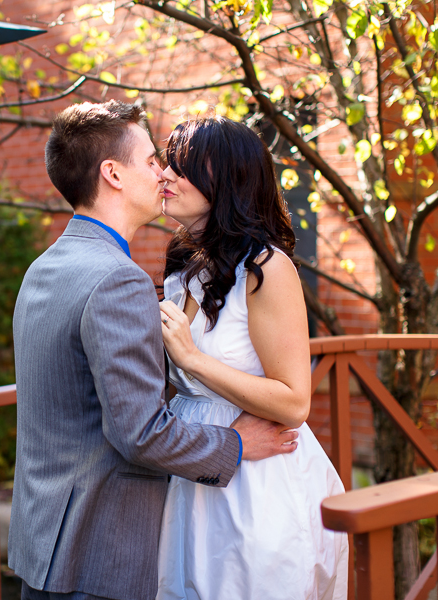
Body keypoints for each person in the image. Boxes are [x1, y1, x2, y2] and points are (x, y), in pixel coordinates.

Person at [9, 100, 299, 600]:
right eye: (151, 160)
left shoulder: (47, 265)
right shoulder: (117, 278)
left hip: (46, 538)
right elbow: (139, 433)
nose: (163, 173)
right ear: (113, 174)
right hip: (98, 544)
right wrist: (237, 444)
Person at [155, 117, 349, 600]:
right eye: (166, 163)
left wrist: (193, 359)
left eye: (181, 167)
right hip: (194, 463)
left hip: (257, 479)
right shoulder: (184, 267)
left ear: (226, 178)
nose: (165, 176)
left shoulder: (265, 267)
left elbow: (293, 403)